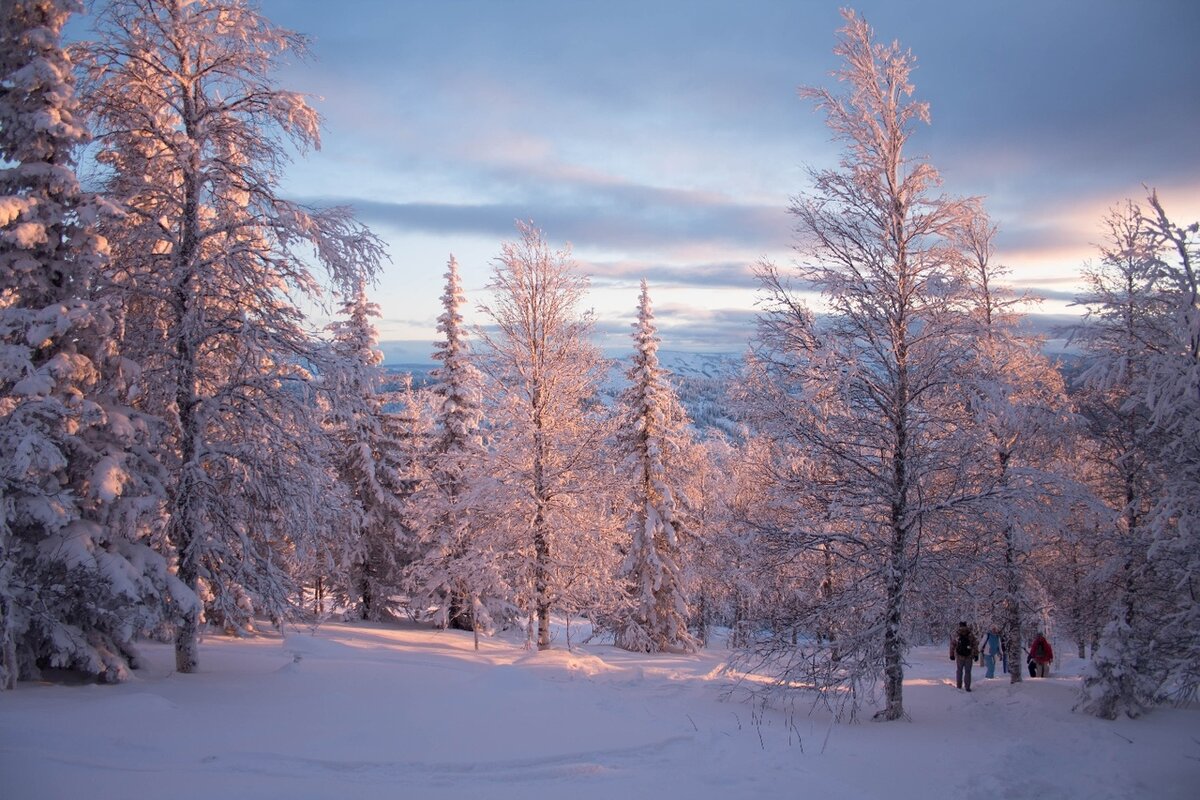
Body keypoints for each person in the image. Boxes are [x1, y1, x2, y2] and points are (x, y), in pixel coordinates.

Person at [949, 621, 979, 691]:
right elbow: (975, 645)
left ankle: (959, 685)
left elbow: (952, 645)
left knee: (959, 671)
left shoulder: (957, 634)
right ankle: (967, 687)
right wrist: (976, 654)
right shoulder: (970, 634)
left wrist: (951, 654)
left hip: (959, 656)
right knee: (968, 672)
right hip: (969, 656)